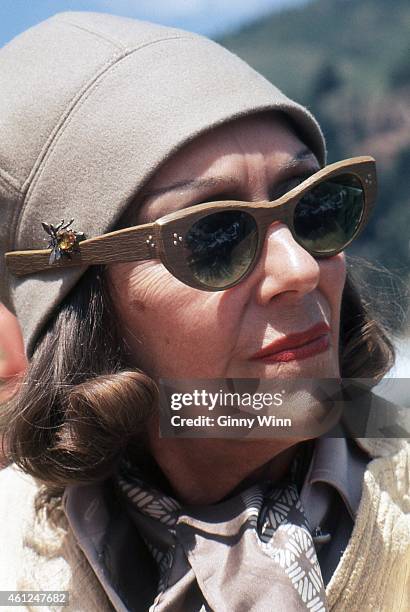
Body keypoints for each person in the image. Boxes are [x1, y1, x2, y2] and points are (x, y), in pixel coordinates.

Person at [0, 12, 408, 612]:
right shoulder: (16, 563)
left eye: (316, 207)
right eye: (215, 238)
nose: (299, 270)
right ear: (81, 306)